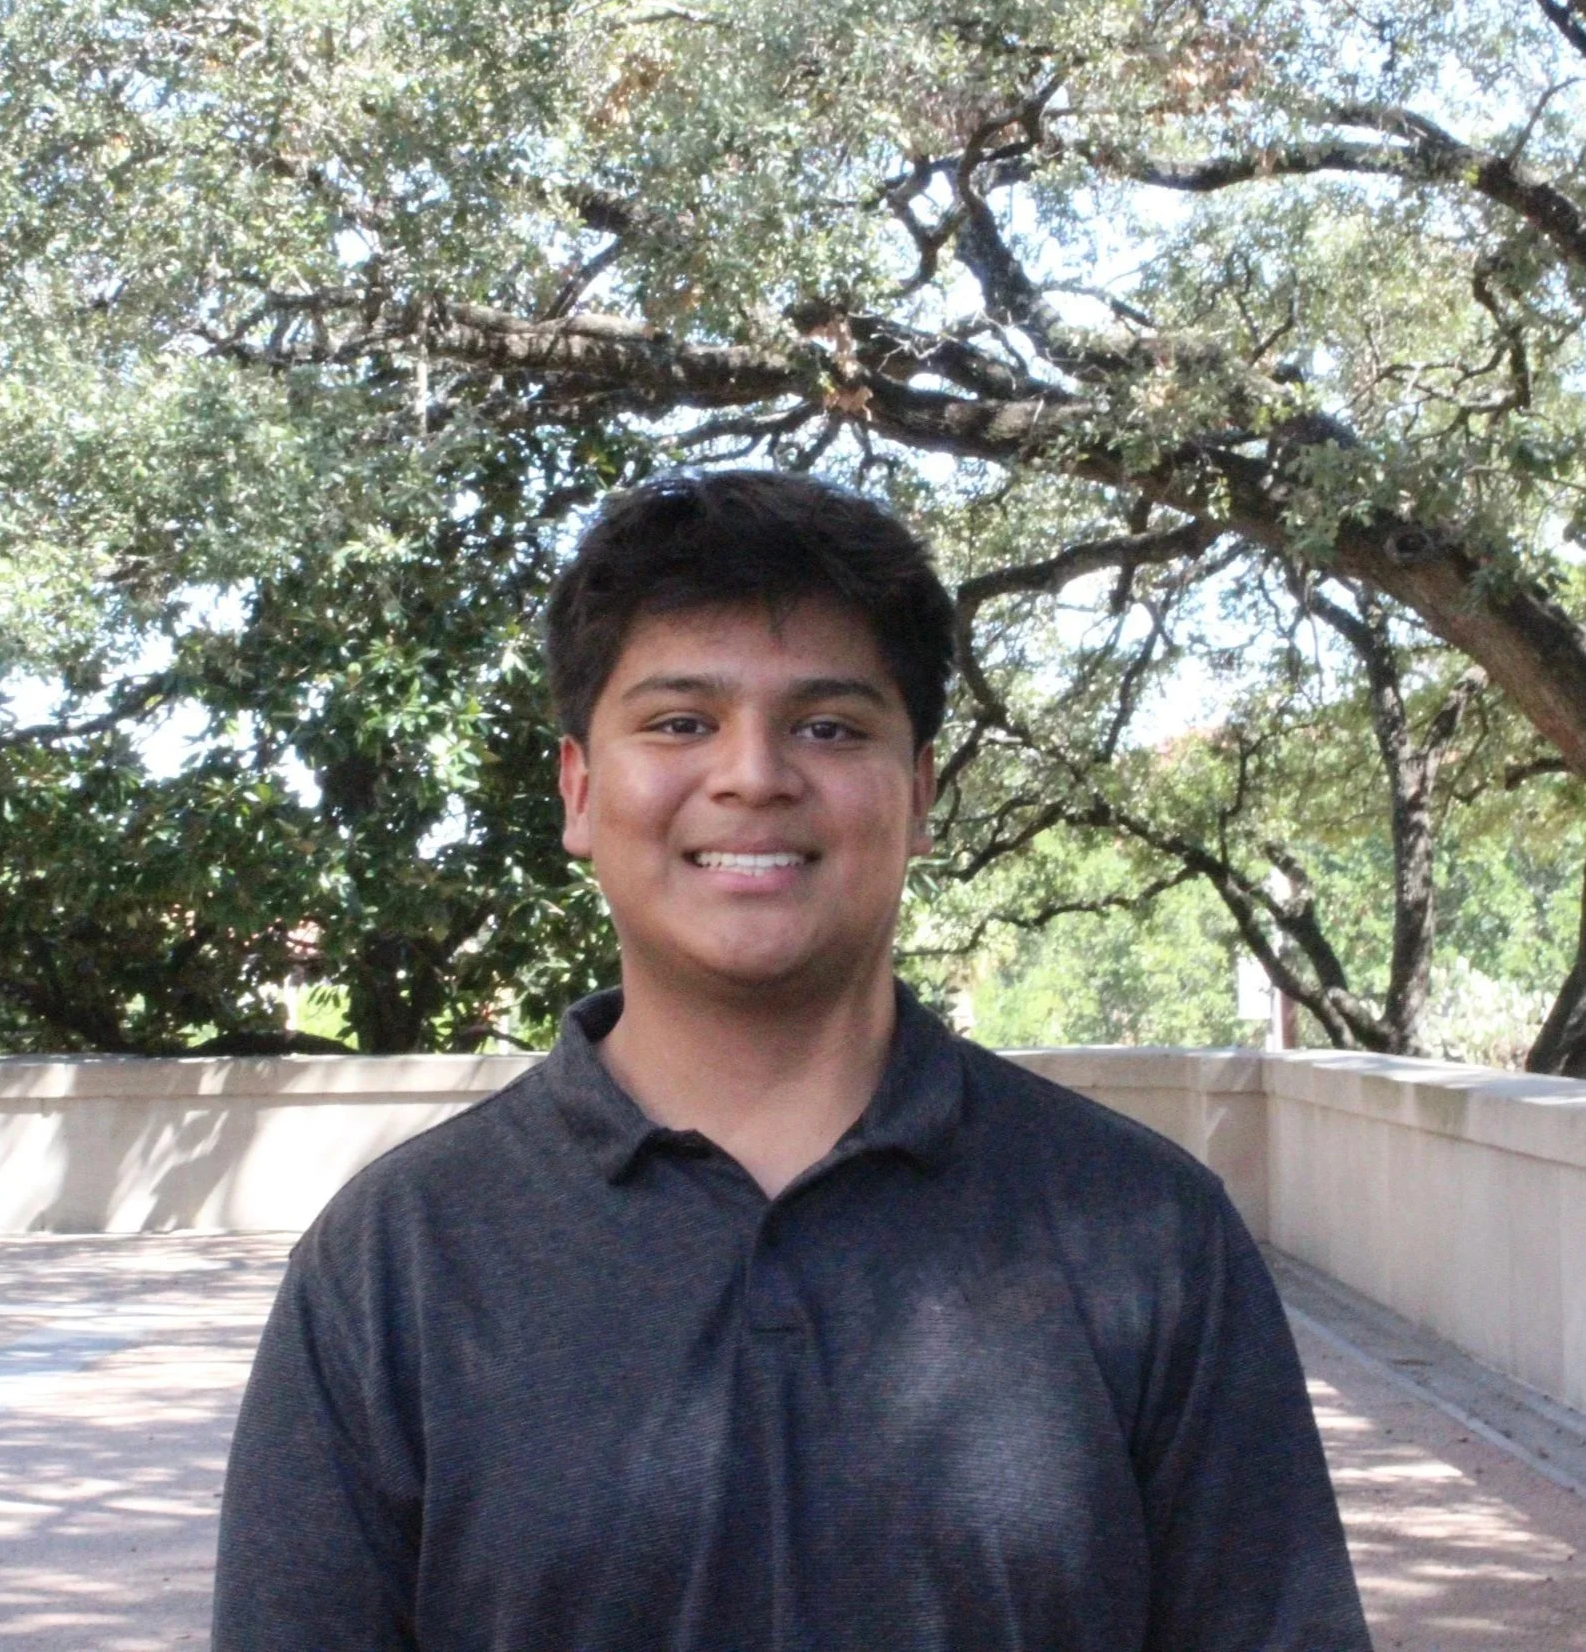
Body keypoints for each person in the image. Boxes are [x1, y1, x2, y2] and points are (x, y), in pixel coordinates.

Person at [212, 471, 1372, 1651]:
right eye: (680, 721)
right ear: (579, 789)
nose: (753, 774)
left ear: (918, 792)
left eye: (828, 726)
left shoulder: (1144, 1229)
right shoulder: (396, 1262)